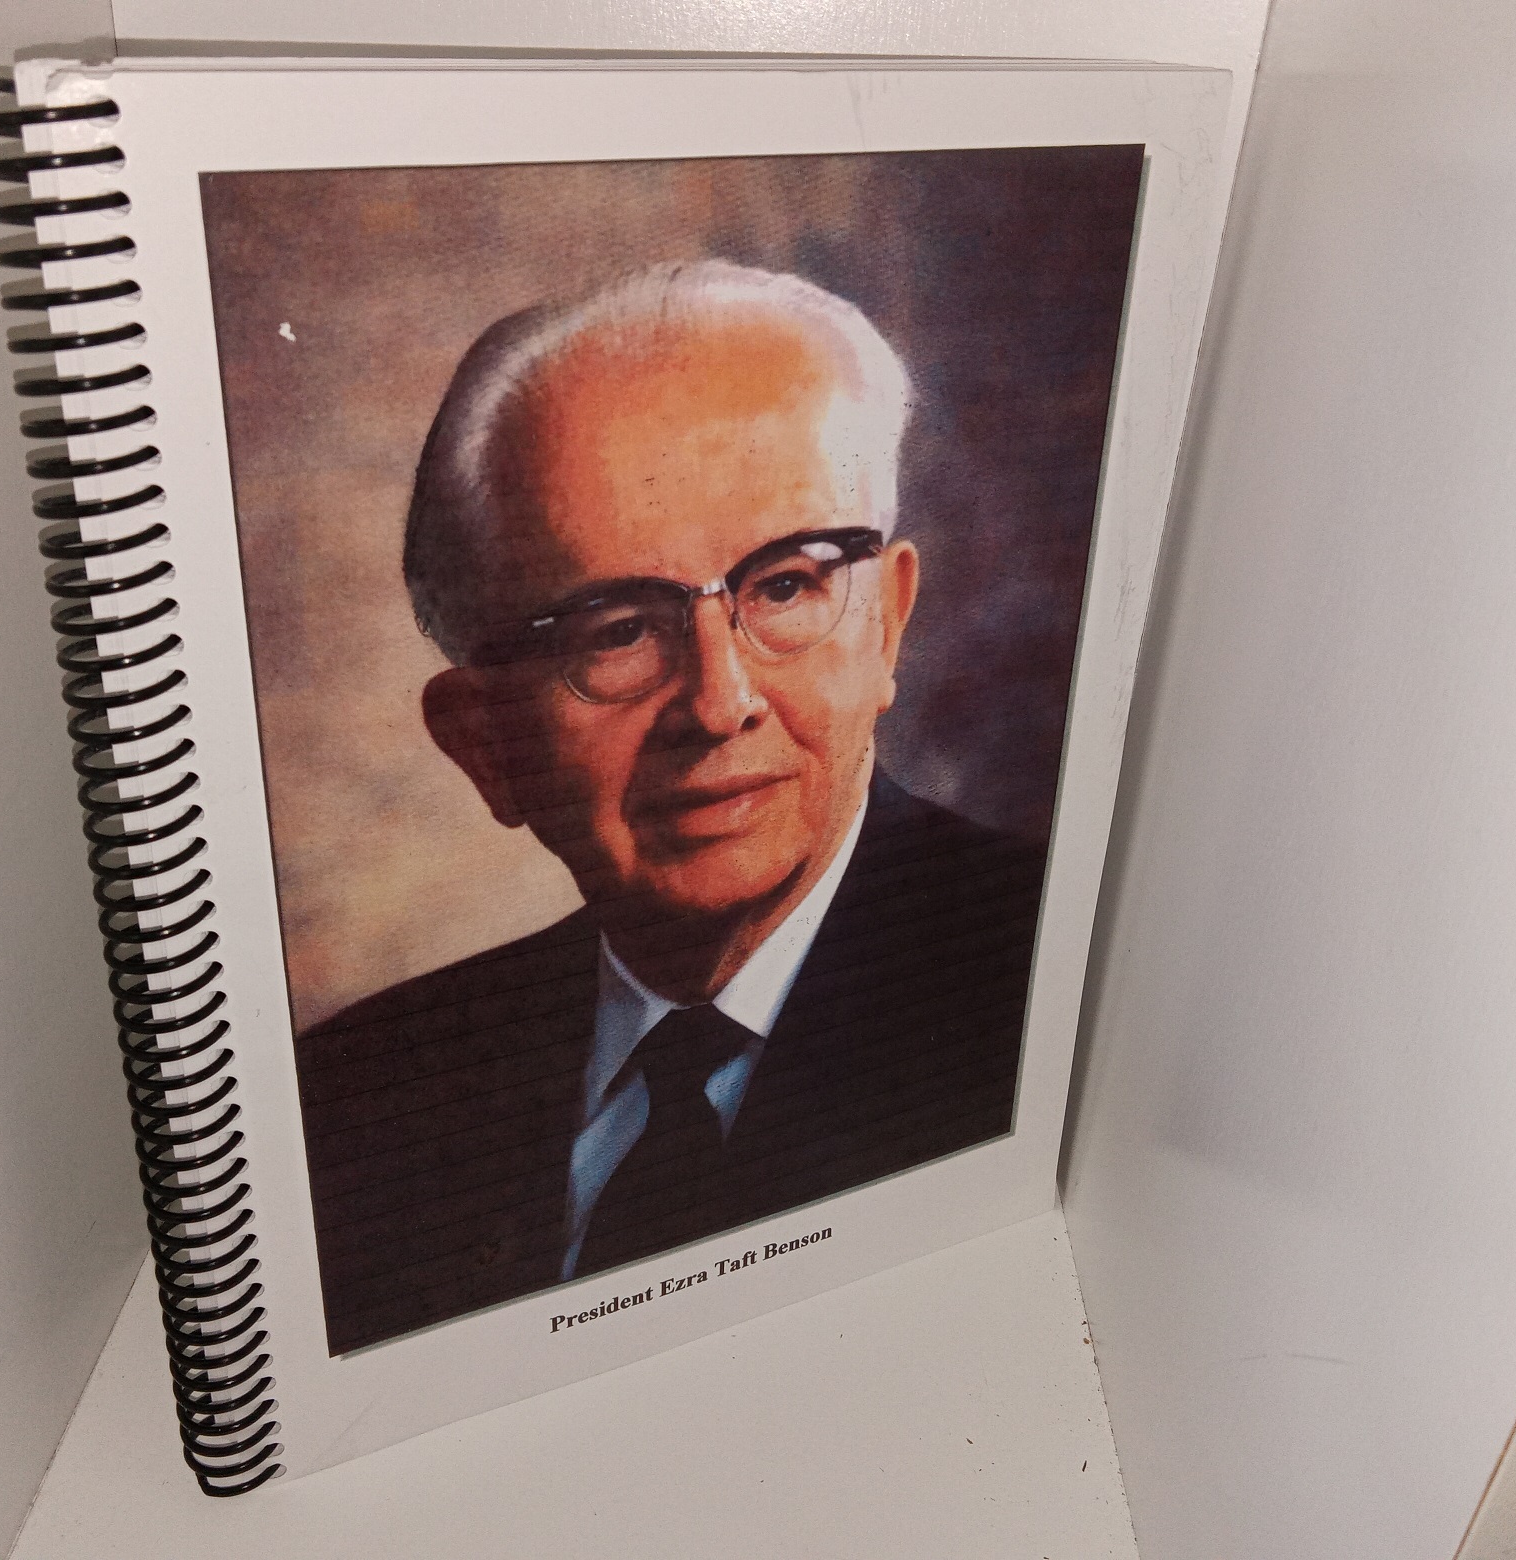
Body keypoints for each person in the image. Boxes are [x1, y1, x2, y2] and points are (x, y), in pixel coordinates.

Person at [296, 260, 1045, 1354]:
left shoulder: (1056, 980)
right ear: (484, 744)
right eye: (615, 631)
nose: (719, 702)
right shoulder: (348, 1108)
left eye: (784, 585)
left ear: (885, 624)